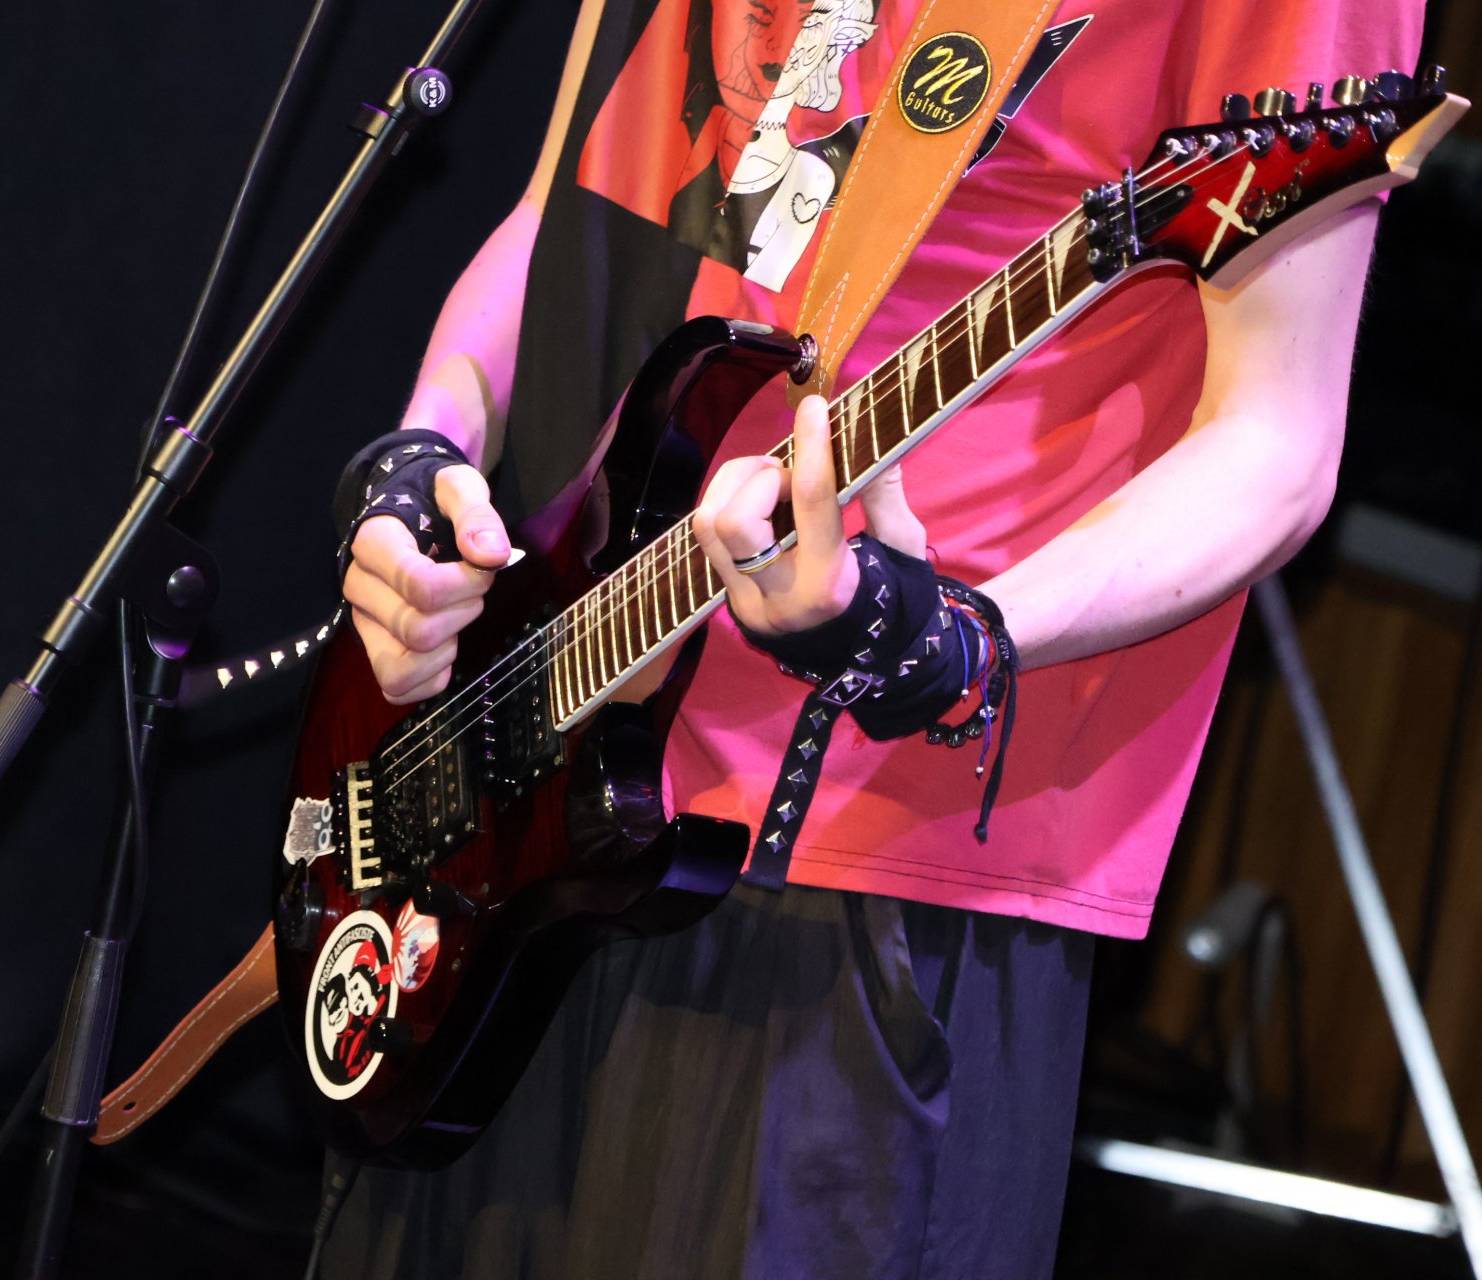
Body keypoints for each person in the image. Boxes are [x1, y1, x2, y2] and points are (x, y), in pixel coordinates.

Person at [326, 0, 1424, 1276]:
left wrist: (954, 638)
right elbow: (564, 209)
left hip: (863, 848)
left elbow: (1277, 442)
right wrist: (426, 457)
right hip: (505, 765)